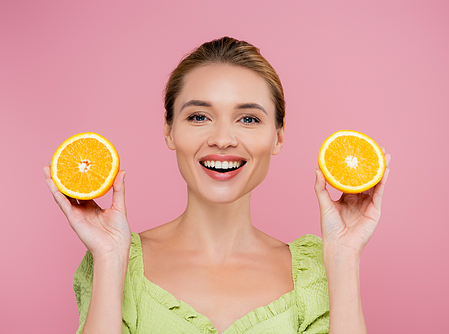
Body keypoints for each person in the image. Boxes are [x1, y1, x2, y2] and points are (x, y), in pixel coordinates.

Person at [44, 36, 390, 334]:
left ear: (278, 136)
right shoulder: (116, 262)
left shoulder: (318, 270)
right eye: (199, 116)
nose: (223, 139)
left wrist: (344, 256)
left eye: (248, 119)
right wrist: (108, 255)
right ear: (170, 131)